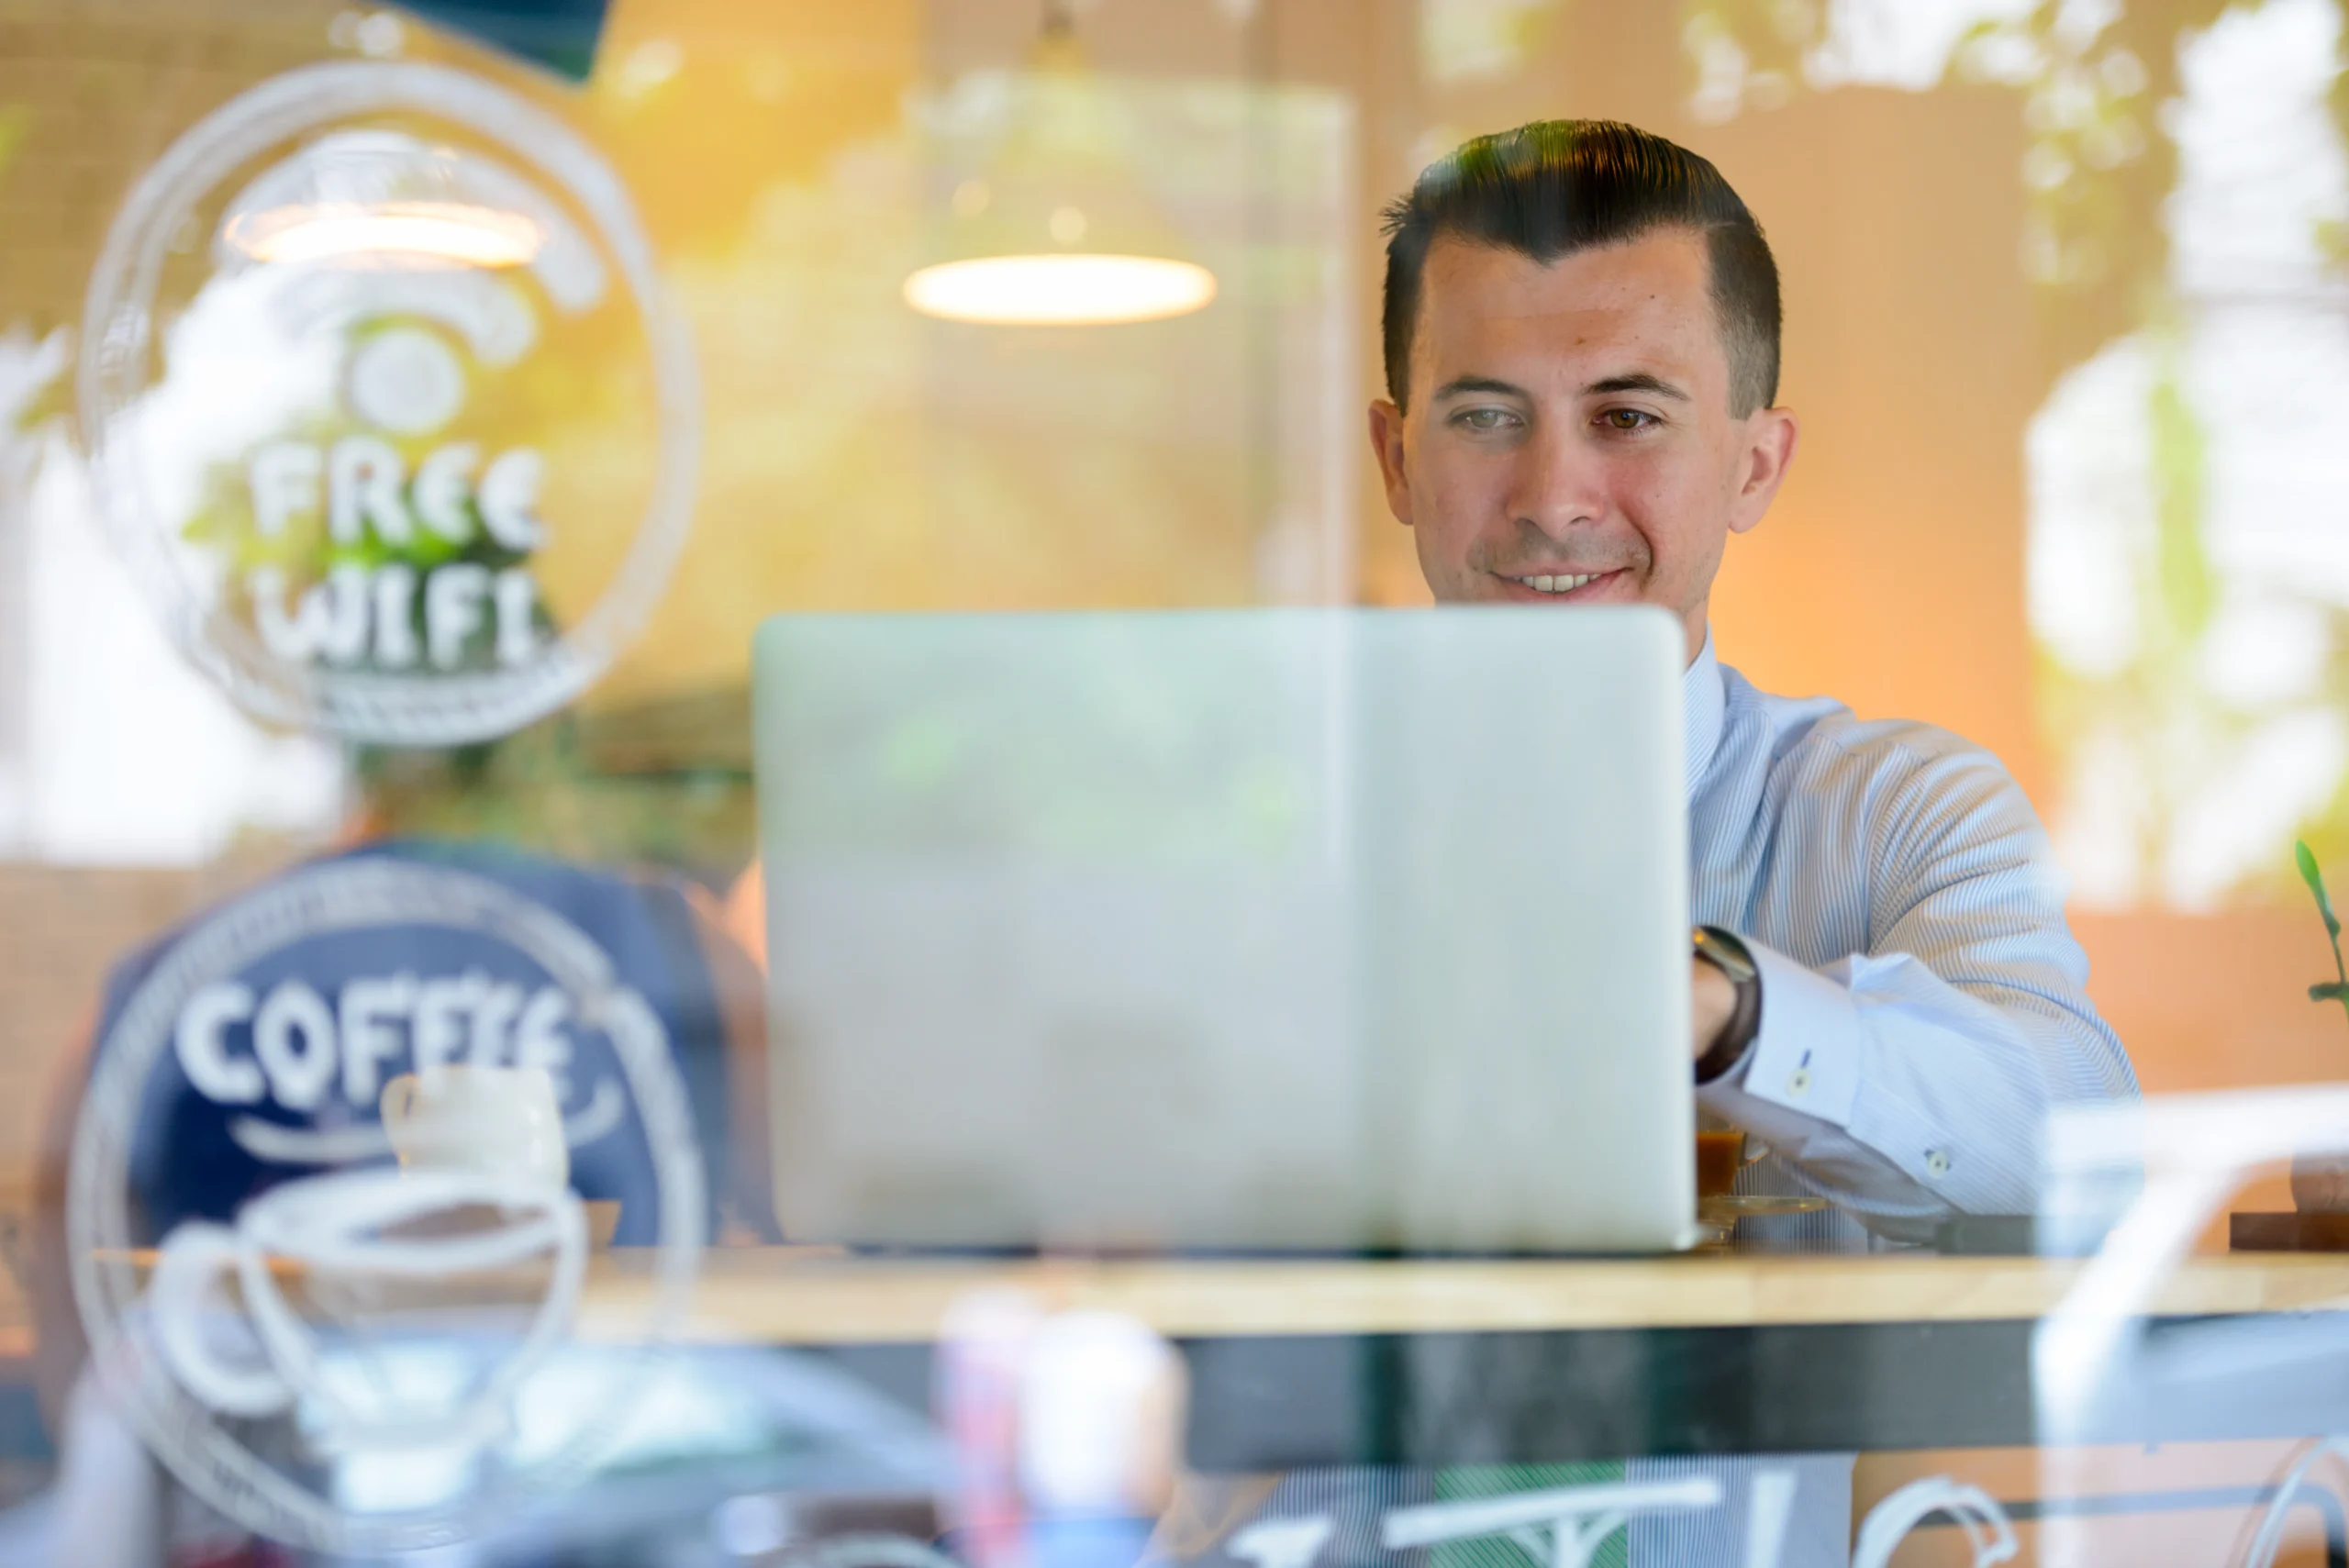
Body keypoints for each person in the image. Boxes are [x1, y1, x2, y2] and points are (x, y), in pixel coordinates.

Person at [1365, 117, 2138, 1242]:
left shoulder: (1898, 817)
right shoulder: (1231, 824)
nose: (1553, 497)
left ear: (1754, 464)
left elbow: (2077, 1163)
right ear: (1398, 461)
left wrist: (1731, 1011)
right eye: (1485, 416)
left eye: (1626, 416)